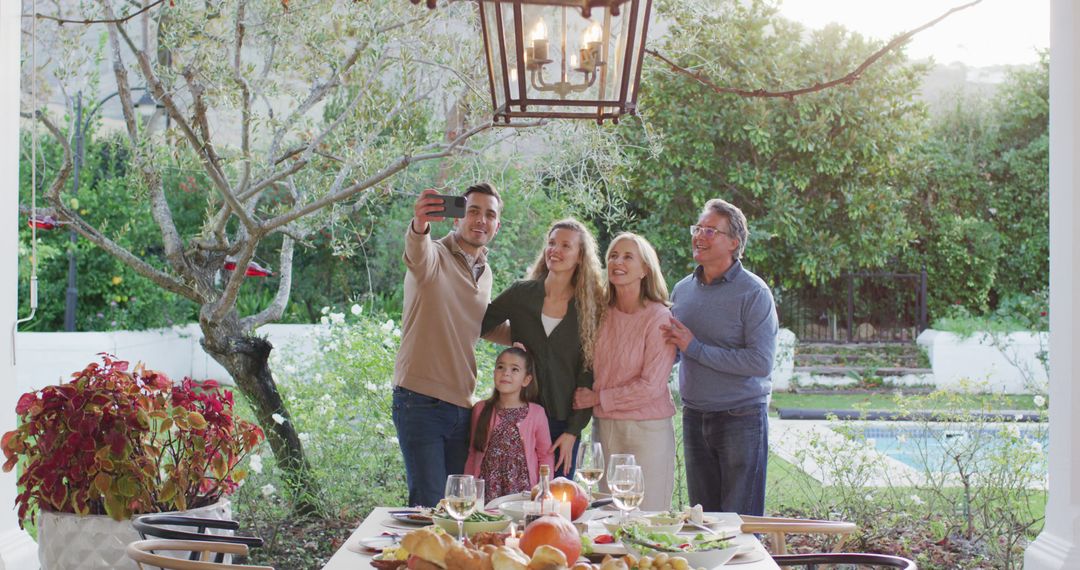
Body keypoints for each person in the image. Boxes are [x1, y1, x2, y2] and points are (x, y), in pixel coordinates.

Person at [661, 198, 778, 516]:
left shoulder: (754, 293)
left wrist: (694, 348)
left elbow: (760, 362)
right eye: (697, 228)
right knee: (703, 521)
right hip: (694, 416)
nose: (699, 236)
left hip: (740, 419)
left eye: (710, 231)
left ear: (734, 242)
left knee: (740, 523)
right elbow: (673, 351)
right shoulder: (682, 290)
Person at [392, 184, 503, 508]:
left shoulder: (485, 273)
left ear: (498, 225)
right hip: (419, 402)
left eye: (490, 214)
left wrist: (537, 335)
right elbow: (417, 252)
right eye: (473, 211)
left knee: (458, 509)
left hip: (462, 406)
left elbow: (482, 323)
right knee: (428, 508)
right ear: (456, 218)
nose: (481, 220)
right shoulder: (434, 255)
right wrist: (420, 224)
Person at [481, 218, 605, 478]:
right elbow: (479, 324)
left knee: (556, 503)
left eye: (565, 246)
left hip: (563, 422)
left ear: (580, 256)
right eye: (551, 243)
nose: (555, 250)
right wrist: (514, 341)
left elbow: (588, 371)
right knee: (516, 499)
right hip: (518, 416)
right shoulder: (521, 294)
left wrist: (573, 431)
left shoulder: (590, 307)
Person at [572, 233, 677, 511]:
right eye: (613, 256)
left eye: (628, 257)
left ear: (645, 269)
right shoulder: (599, 313)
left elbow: (651, 386)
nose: (618, 262)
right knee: (606, 516)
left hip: (648, 431)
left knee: (647, 514)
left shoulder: (659, 318)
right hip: (605, 428)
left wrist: (597, 398)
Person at [465, 346, 554, 500]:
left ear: (526, 380)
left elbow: (545, 456)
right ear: (494, 373)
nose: (506, 373)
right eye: (500, 367)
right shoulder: (480, 409)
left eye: (514, 369)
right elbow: (473, 453)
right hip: (487, 493)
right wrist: (467, 491)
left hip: (523, 494)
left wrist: (544, 489)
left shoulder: (537, 413)